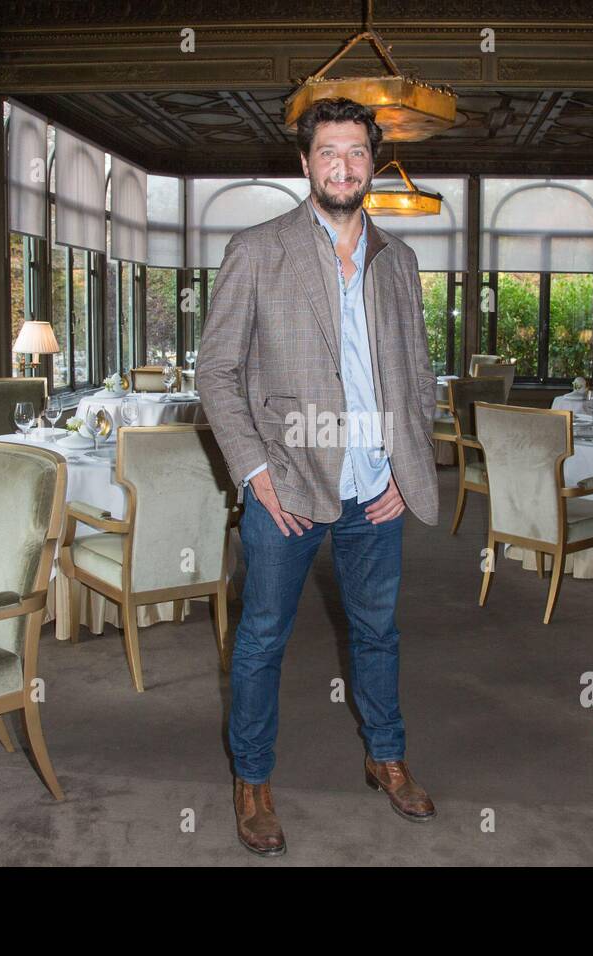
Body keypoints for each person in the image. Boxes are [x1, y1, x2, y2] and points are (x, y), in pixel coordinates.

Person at [197, 96, 439, 856]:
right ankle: (253, 778)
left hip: (377, 490)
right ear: (305, 164)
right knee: (263, 638)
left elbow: (420, 376)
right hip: (288, 489)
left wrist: (409, 459)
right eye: (328, 152)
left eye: (357, 152)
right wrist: (255, 469)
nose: (343, 166)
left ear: (375, 161)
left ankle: (386, 756)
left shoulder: (398, 261)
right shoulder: (258, 248)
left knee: (377, 633)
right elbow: (216, 370)